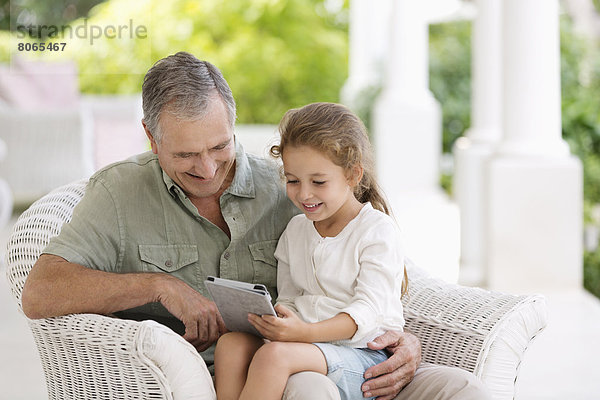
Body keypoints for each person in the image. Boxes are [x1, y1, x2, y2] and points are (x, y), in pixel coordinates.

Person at [21, 51, 490, 399]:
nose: (206, 168)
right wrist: (157, 285)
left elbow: (374, 274)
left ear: (233, 121)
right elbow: (40, 293)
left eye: (219, 146)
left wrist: (404, 339)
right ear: (150, 135)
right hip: (225, 375)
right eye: (185, 154)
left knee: (463, 388)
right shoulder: (119, 195)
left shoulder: (289, 190)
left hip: (322, 353)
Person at [214, 102, 407, 400]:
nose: (304, 194)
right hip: (305, 346)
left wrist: (301, 333)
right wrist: (277, 321)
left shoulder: (376, 230)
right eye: (292, 181)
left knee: (274, 357)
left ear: (353, 175)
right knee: (231, 345)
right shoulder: (296, 230)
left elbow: (367, 312)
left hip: (364, 356)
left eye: (318, 182)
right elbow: (291, 297)